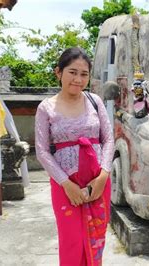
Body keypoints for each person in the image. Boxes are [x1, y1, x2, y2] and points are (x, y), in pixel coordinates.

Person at [35, 47, 114, 265]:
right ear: (58, 72)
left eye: (84, 74)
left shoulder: (95, 102)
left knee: (96, 239)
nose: (78, 79)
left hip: (98, 183)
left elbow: (108, 139)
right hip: (64, 187)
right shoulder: (46, 108)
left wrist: (103, 176)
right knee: (72, 240)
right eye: (72, 72)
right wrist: (66, 184)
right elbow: (41, 150)